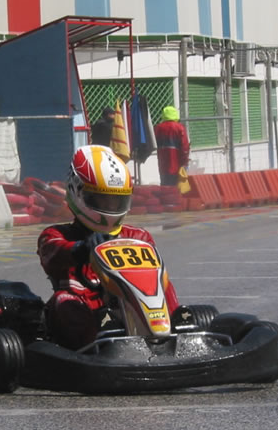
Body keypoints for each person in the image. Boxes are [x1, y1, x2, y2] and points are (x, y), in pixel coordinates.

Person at [37, 144, 180, 350]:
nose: (111, 208)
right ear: (78, 192)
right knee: (63, 300)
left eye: (116, 201)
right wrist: (81, 248)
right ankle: (97, 349)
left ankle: (174, 331)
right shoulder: (56, 235)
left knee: (162, 282)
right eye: (102, 199)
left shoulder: (138, 237)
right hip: (89, 314)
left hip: (130, 308)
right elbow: (54, 254)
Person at [154, 105, 190, 186]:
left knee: (165, 186)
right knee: (176, 187)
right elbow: (185, 147)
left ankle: (165, 198)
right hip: (177, 163)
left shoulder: (158, 128)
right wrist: (185, 161)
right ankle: (175, 198)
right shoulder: (179, 127)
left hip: (163, 163)